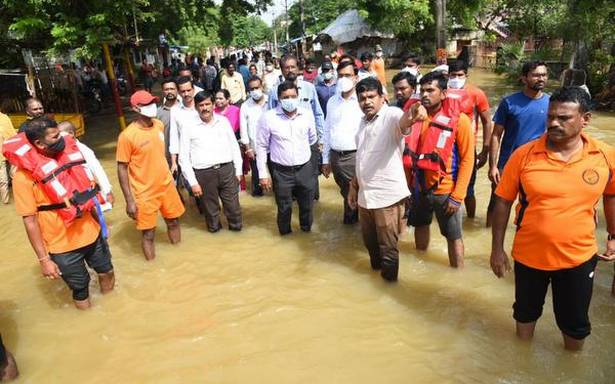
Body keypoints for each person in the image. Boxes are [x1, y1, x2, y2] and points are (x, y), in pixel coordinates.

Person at [490, 86, 615, 351]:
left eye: (564, 118)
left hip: (578, 257)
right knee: (525, 314)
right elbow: (502, 201)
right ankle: (521, 360)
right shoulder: (524, 155)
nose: (554, 123)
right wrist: (497, 249)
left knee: (575, 323)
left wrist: (613, 236)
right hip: (529, 255)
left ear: (586, 119)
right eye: (550, 117)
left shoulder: (605, 155)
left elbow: (611, 196)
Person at [6, 117, 115, 309]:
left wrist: (101, 229)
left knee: (107, 272)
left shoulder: (69, 158)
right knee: (80, 289)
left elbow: (86, 195)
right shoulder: (23, 178)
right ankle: (89, 325)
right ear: (39, 143)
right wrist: (44, 260)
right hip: (62, 246)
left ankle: (112, 310)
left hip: (92, 232)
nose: (62, 139)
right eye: (55, 137)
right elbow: (30, 221)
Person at [347, 77, 414, 281]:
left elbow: (404, 123)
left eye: (371, 97)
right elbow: (362, 157)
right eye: (362, 98)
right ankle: (375, 284)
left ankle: (390, 291)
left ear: (382, 97)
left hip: (386, 197)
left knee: (388, 249)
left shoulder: (391, 115)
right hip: (365, 196)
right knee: (370, 244)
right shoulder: (362, 122)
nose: (366, 102)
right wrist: (353, 186)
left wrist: (413, 115)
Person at [407, 72, 475, 268]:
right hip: (419, 187)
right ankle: (422, 262)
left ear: (443, 94)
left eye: (430, 90)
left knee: (453, 236)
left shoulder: (459, 120)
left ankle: (458, 273)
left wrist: (458, 195)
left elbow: (468, 159)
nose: (425, 95)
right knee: (420, 225)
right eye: (422, 91)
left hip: (445, 190)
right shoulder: (415, 116)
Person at [117, 90, 185, 261]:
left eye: (152, 103)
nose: (151, 107)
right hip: (144, 192)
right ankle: (152, 266)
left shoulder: (158, 125)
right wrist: (129, 200)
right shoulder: (127, 136)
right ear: (135, 108)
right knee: (148, 234)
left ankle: (180, 256)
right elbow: (122, 168)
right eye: (146, 104)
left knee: (174, 222)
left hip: (167, 185)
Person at [488, 60, 549, 226]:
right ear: (524, 78)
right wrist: (493, 166)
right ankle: (489, 236)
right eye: (536, 75)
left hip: (537, 164)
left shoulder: (553, 104)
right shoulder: (509, 102)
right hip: (507, 164)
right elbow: (496, 135)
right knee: (497, 202)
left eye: (543, 75)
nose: (541, 78)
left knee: (533, 205)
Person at [257, 81, 317, 235]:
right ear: (279, 98)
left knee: (307, 206)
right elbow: (262, 146)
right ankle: (285, 235)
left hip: (305, 168)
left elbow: (312, 139)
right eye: (286, 97)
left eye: (293, 96)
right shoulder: (268, 118)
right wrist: (263, 174)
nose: (290, 100)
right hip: (281, 172)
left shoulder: (307, 114)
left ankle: (306, 233)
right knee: (284, 207)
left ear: (298, 96)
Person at [179, 91, 243, 232]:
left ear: (213, 105)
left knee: (234, 209)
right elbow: (183, 158)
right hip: (204, 174)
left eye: (208, 104)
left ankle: (237, 235)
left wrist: (238, 171)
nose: (205, 108)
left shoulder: (223, 122)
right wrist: (193, 183)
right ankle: (216, 237)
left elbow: (234, 147)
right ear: (196, 107)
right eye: (201, 105)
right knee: (211, 213)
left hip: (227, 170)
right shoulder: (188, 126)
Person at [268, 54, 326, 201]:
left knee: (311, 182)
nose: (290, 70)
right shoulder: (274, 92)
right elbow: (269, 118)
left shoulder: (309, 88)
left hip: (308, 141)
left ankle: (310, 209)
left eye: (293, 66)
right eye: (286, 67)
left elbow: (318, 114)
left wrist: (321, 139)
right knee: (287, 190)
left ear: (298, 68)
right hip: (284, 144)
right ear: (281, 70)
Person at [447, 60, 492, 219]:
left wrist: (485, 150)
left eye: (460, 75)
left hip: (467, 146)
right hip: (445, 146)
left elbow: (487, 121)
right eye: (453, 75)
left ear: (466, 75)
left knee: (469, 188)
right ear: (447, 75)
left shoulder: (476, 93)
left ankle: (470, 220)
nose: (457, 78)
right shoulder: (441, 92)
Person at [321, 61, 362, 224]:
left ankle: (356, 228)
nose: (344, 79)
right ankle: (352, 227)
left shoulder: (363, 101)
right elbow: (327, 130)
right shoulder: (332, 102)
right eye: (341, 76)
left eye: (348, 75)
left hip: (355, 156)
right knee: (347, 193)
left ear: (356, 78)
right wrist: (326, 160)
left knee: (356, 194)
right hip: (336, 157)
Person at [57, 121, 113, 210]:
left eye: (60, 134)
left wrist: (107, 192)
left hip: (91, 193)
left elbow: (98, 171)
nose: (57, 138)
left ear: (71, 133)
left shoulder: (84, 150)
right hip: (78, 195)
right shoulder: (62, 151)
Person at [240, 76, 268, 197]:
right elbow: (243, 129)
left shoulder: (271, 101)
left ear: (262, 87)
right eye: (252, 89)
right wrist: (248, 148)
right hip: (255, 148)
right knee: (257, 181)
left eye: (257, 87)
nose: (255, 90)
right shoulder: (245, 106)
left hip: (274, 147)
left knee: (278, 180)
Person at [169, 76, 200, 176]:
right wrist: (174, 163)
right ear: (178, 92)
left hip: (205, 157)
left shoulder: (203, 106)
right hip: (186, 160)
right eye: (183, 91)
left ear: (193, 89)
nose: (186, 94)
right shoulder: (174, 111)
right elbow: (173, 137)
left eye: (188, 90)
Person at [156, 78, 180, 169]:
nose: (169, 91)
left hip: (186, 156)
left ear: (177, 90)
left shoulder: (185, 110)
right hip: (167, 159)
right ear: (163, 92)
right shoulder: (157, 113)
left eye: (172, 89)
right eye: (166, 89)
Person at [0, 111, 16, 204]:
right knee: (3, 180)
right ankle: (5, 200)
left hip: (10, 150)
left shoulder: (5, 117)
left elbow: (12, 133)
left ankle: (19, 195)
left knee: (14, 175)